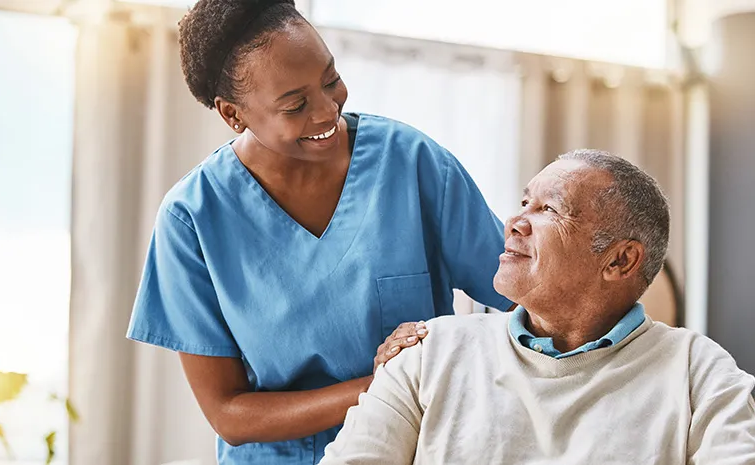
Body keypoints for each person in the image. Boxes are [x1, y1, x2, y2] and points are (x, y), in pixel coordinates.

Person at [125, 0, 512, 463]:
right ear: (233, 115)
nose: (328, 111)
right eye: (295, 105)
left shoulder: (412, 163)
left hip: (422, 450)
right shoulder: (192, 219)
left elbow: (527, 296)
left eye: (331, 80)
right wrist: (389, 385)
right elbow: (230, 413)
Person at [320, 150, 755, 465]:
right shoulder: (431, 350)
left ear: (620, 260)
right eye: (525, 201)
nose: (514, 222)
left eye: (549, 210)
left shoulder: (695, 369)